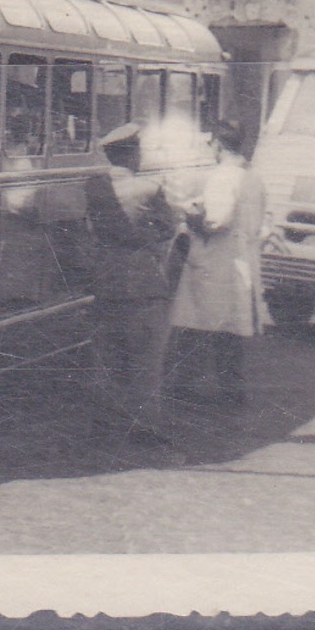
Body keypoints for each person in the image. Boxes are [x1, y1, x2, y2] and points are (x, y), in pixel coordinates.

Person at [82, 122, 181, 446]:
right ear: (132, 154)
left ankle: (103, 424)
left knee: (107, 356)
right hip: (144, 282)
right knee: (146, 359)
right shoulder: (149, 189)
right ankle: (146, 426)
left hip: (105, 279)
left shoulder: (93, 186)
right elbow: (169, 227)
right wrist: (146, 237)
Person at [168, 121, 268, 408]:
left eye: (210, 145)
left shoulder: (223, 177)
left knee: (196, 325)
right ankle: (231, 388)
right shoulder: (253, 178)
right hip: (240, 260)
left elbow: (216, 221)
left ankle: (185, 385)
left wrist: (191, 216)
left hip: (216, 262)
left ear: (218, 145)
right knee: (229, 329)